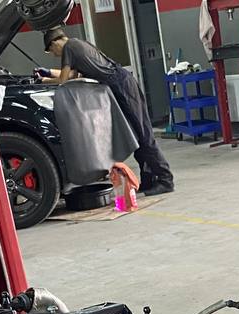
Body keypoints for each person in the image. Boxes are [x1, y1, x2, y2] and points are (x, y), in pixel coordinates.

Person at [37, 27, 174, 196]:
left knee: (143, 134)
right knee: (136, 135)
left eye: (52, 50)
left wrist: (43, 80)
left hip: (122, 86)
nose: (54, 54)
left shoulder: (69, 48)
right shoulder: (77, 44)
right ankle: (148, 179)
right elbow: (73, 75)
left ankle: (166, 180)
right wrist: (49, 72)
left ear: (55, 42)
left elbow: (63, 80)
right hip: (121, 84)